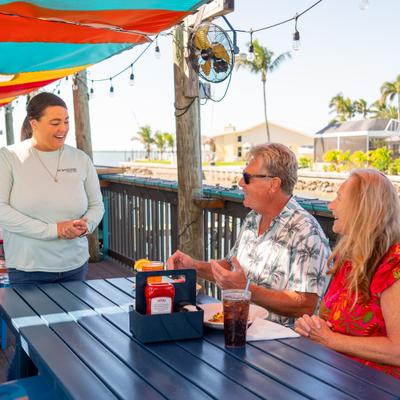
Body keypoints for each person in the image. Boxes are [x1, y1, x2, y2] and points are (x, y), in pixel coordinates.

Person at [167, 143, 331, 327]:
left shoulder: (306, 231)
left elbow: (306, 305)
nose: (240, 183)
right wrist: (192, 266)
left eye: (247, 177)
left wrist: (244, 288)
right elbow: (230, 269)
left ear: (273, 184)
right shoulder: (254, 217)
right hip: (239, 329)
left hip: (282, 345)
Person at [295, 169, 400, 379]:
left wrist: (329, 340)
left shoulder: (393, 263)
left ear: (362, 209)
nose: (330, 205)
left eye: (339, 198)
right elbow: (329, 321)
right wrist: (313, 326)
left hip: (380, 388)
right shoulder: (347, 258)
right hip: (338, 378)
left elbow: (397, 351)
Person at [0, 92, 104, 286]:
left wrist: (87, 225)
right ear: (34, 123)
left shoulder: (81, 159)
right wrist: (54, 230)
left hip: (75, 265)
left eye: (66, 121)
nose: (63, 128)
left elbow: (97, 205)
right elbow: (1, 211)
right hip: (28, 269)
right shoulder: (8, 157)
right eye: (55, 123)